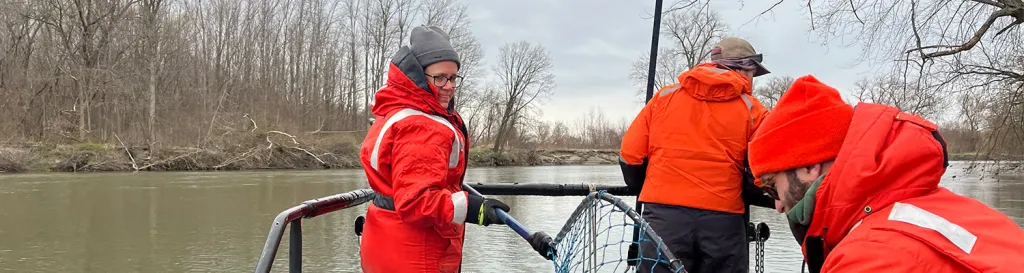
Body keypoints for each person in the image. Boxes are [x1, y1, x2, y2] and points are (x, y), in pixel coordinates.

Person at [747, 75, 1024, 272]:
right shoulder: (953, 210)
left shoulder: (867, 256)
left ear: (808, 167)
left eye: (773, 187)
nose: (778, 205)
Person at [358, 25, 512, 273]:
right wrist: (475, 209)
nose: (449, 86)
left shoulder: (396, 111)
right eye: (440, 78)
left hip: (387, 242)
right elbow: (416, 202)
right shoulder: (421, 125)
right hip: (416, 253)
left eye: (453, 78)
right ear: (418, 76)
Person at [619, 37, 773, 273]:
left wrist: (649, 187)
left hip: (662, 221)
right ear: (745, 68)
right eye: (754, 73)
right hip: (723, 224)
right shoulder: (754, 111)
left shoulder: (663, 98)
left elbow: (630, 156)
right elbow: (762, 173)